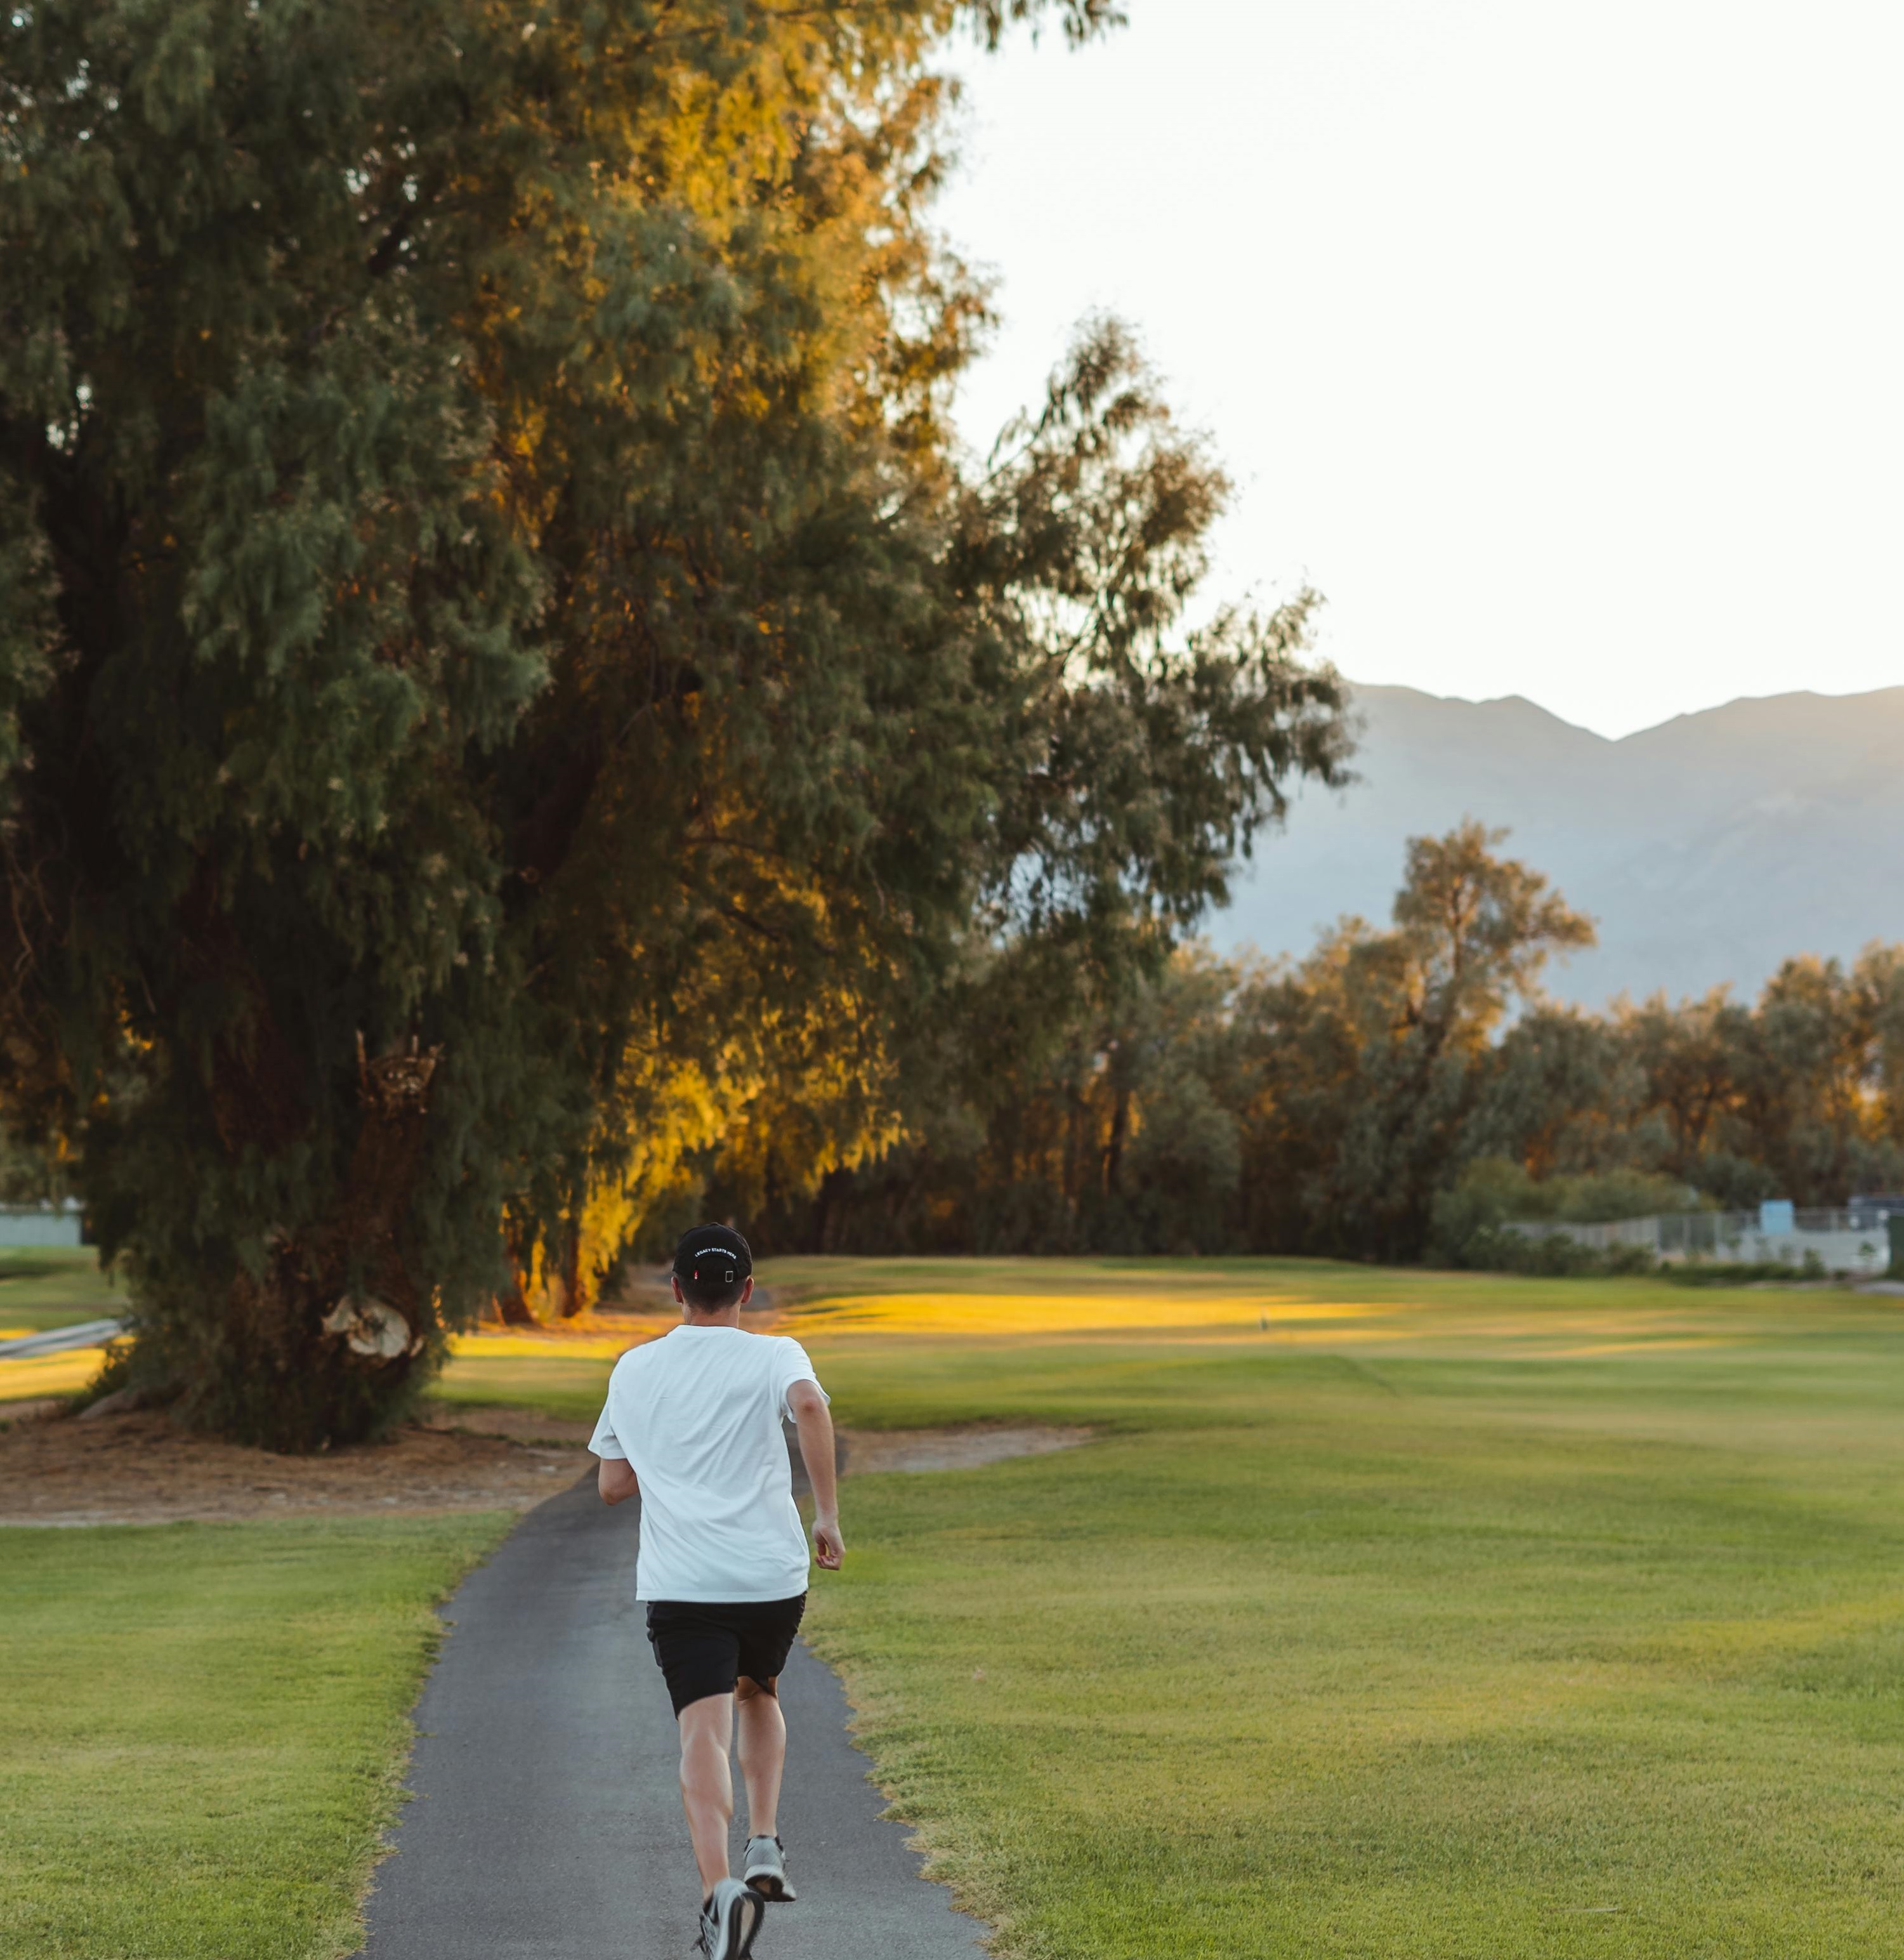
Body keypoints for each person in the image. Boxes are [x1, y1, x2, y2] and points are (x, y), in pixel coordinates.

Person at [590, 1224, 844, 1960]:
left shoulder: (634, 1367)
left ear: (675, 1289)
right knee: (758, 1689)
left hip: (683, 1580)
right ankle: (764, 1840)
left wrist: (662, 1453)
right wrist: (825, 1513)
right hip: (769, 1576)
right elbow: (811, 1408)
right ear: (747, 1287)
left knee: (702, 1732)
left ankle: (718, 1894)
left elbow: (611, 1484)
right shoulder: (775, 1353)